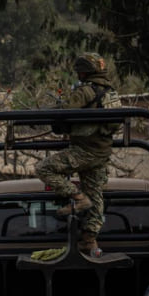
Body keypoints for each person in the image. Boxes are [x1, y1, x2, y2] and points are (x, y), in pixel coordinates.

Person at [36, 52, 120, 254]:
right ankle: (89, 240)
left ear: (86, 72)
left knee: (43, 168)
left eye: (80, 71)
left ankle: (77, 197)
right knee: (96, 195)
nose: (79, 75)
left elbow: (64, 112)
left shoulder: (84, 92)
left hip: (84, 150)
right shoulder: (111, 92)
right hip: (101, 152)